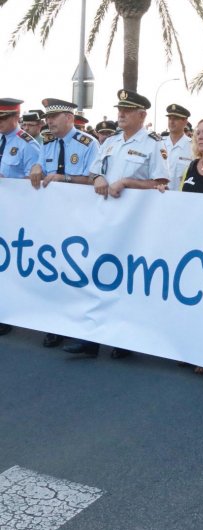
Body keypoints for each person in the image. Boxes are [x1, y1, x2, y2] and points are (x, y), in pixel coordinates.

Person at [64, 89, 168, 358]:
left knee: (127, 282)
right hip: (105, 219)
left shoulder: (153, 144)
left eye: (127, 110)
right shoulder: (110, 141)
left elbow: (161, 184)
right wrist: (98, 178)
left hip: (134, 225)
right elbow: (95, 171)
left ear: (142, 115)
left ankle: (124, 339)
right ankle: (90, 339)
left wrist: (128, 182)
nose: (121, 114)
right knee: (98, 277)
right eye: (120, 109)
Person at [27, 98, 100, 348]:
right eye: (47, 117)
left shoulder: (88, 143)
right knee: (54, 272)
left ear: (69, 118)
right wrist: (37, 166)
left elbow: (94, 179)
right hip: (52, 218)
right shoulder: (47, 142)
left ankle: (79, 326)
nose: (48, 122)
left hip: (79, 219)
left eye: (53, 117)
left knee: (77, 274)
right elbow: (40, 164)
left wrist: (65, 178)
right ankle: (56, 324)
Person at [0, 97, 41, 336]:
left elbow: (32, 184)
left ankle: (7, 314)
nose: (0, 123)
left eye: (4, 118)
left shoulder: (27, 145)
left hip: (15, 217)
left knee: (10, 268)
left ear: (16, 117)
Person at [164, 103, 193, 190]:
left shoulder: (193, 147)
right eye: (170, 118)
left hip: (181, 195)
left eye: (175, 119)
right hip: (158, 194)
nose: (171, 122)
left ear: (185, 122)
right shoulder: (159, 143)